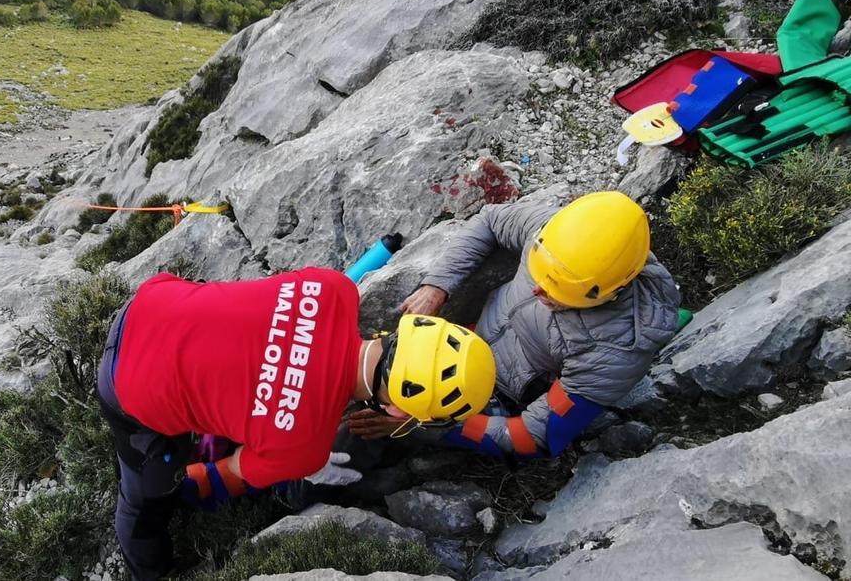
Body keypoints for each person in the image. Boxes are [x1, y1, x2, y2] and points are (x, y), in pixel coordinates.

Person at [97, 267, 496, 579]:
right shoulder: (303, 449)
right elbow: (227, 475)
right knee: (145, 500)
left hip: (151, 299)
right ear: (398, 412)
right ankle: (152, 573)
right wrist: (182, 479)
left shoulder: (334, 288)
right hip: (125, 387)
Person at [347, 191, 680, 458]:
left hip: (493, 397)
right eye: (539, 273)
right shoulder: (554, 236)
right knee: (353, 370)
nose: (538, 291)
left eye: (558, 291)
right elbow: (490, 221)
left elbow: (531, 436)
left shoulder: (615, 351)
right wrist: (437, 286)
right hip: (463, 340)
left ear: (611, 292)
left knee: (350, 435)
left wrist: (428, 424)